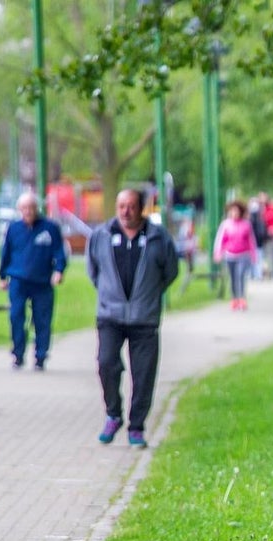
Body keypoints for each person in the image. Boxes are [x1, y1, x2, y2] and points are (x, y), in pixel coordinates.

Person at [85, 188, 180, 448]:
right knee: (106, 363)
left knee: (144, 374)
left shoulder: (158, 238)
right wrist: (109, 293)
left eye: (131, 207)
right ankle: (113, 414)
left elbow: (170, 271)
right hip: (110, 315)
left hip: (144, 317)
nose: (126, 212)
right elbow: (93, 270)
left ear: (141, 209)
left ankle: (136, 426)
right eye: (121, 206)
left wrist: (149, 293)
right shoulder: (101, 236)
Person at [0, 192, 66, 370]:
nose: (28, 211)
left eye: (31, 208)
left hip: (42, 282)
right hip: (18, 281)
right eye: (24, 208)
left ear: (37, 208)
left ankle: (41, 355)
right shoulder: (14, 229)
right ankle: (18, 354)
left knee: (42, 319)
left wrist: (59, 271)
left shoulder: (50, 228)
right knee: (16, 316)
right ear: (20, 209)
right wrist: (2, 276)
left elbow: (59, 252)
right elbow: (6, 253)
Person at [213, 199, 259, 311]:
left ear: (240, 212)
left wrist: (254, 255)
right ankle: (234, 298)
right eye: (232, 211)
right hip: (230, 255)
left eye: (236, 211)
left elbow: (251, 241)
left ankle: (242, 298)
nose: (234, 213)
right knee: (233, 277)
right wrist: (218, 253)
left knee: (241, 275)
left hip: (243, 255)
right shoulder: (226, 225)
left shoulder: (246, 224)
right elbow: (220, 240)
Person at [258, 191, 273, 280]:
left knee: (271, 253)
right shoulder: (258, 208)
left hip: (270, 234)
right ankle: (262, 272)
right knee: (261, 254)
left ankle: (271, 272)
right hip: (260, 235)